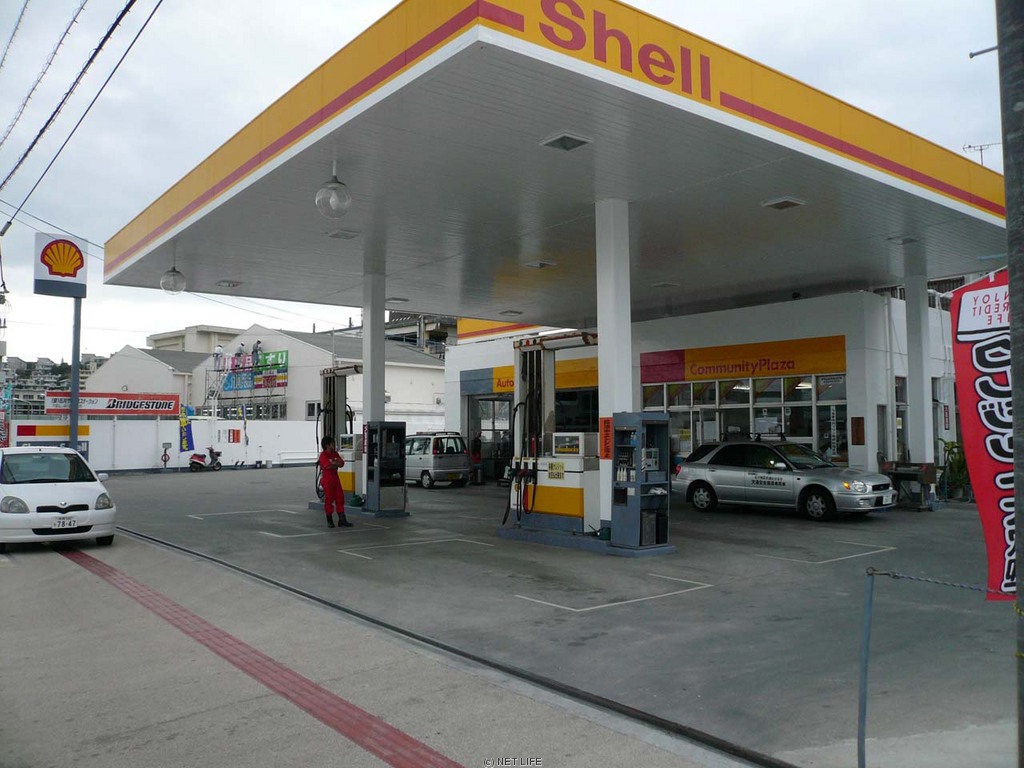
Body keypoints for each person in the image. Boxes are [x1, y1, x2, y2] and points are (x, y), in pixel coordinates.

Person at [318, 436, 351, 528]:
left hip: (335, 478)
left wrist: (334, 463)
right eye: (332, 444)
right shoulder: (323, 455)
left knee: (340, 498)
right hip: (328, 479)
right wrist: (336, 463)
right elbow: (327, 466)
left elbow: (341, 463)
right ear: (327, 445)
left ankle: (342, 519)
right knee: (329, 499)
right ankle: (330, 520)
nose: (334, 446)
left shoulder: (335, 453)